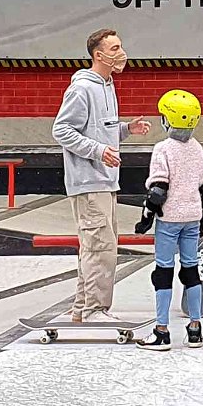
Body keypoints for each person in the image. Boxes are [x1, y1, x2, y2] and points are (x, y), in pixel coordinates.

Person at [52, 28, 150, 323]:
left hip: (106, 180)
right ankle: (95, 310)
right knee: (100, 247)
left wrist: (126, 129)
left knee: (97, 246)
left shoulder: (107, 86)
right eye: (115, 48)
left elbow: (98, 129)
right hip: (88, 181)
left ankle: (82, 308)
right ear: (99, 55)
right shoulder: (82, 88)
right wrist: (97, 150)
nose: (121, 53)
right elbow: (62, 130)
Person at [134, 90, 203, 351]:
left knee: (163, 271)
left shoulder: (163, 148)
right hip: (192, 217)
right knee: (191, 270)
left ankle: (161, 331)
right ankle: (195, 329)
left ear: (167, 119)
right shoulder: (197, 148)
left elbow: (158, 190)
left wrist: (146, 217)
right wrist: (202, 217)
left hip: (169, 219)